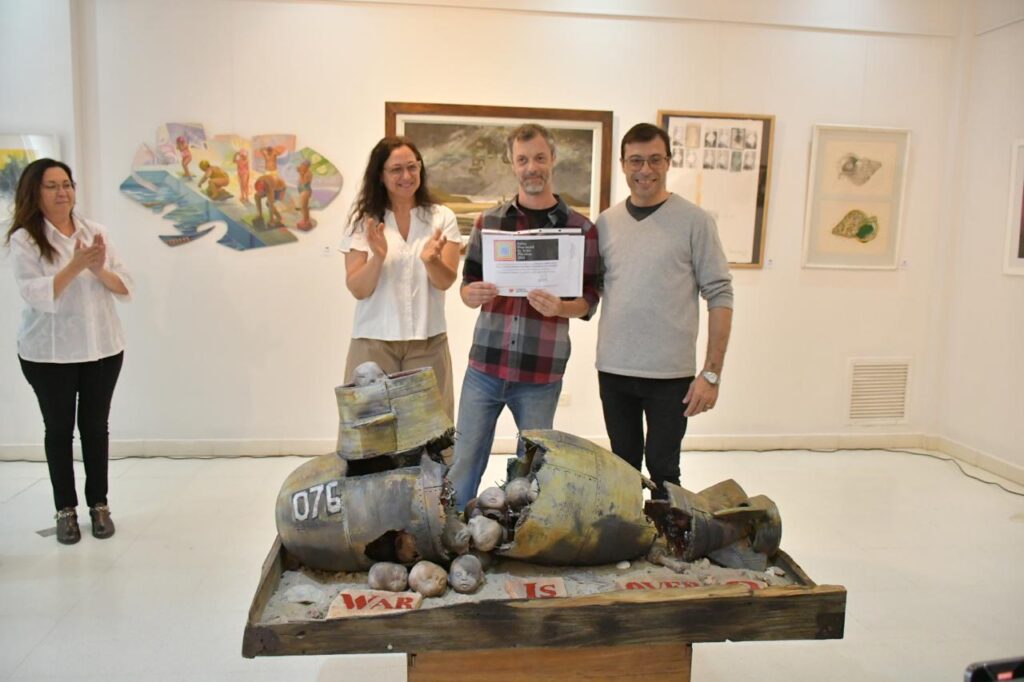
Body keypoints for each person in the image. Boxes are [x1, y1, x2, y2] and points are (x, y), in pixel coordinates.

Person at [448, 123, 601, 509]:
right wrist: (471, 295)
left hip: (540, 373)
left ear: (552, 160)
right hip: (485, 367)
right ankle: (454, 532)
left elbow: (590, 297)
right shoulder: (488, 223)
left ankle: (518, 534)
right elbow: (467, 287)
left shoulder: (580, 229)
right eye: (523, 160)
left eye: (539, 158)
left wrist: (562, 308)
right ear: (512, 164)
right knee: (463, 461)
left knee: (531, 471)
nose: (531, 167)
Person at [595, 123, 733, 499]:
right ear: (623, 164)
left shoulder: (695, 221)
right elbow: (594, 290)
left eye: (655, 160)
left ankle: (668, 535)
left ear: (669, 162)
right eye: (636, 160)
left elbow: (720, 294)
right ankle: (628, 533)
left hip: (671, 376)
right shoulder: (606, 223)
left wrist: (711, 374)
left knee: (663, 468)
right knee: (622, 469)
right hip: (614, 370)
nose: (646, 170)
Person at [5, 158, 133, 544]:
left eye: (67, 184)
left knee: (95, 429)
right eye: (52, 186)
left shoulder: (96, 232)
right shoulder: (24, 240)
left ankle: (99, 505)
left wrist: (97, 269)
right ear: (34, 192)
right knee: (59, 431)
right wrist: (76, 265)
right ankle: (66, 510)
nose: (63, 192)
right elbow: (36, 294)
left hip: (102, 349)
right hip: (49, 355)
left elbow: (125, 285)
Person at [340, 137, 461, 417]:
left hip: (428, 341)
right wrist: (378, 257)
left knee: (430, 430)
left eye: (412, 167)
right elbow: (358, 289)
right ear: (380, 175)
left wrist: (431, 261)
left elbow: (445, 281)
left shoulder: (442, 217)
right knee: (370, 430)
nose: (406, 176)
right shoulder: (364, 220)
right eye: (396, 169)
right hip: (373, 341)